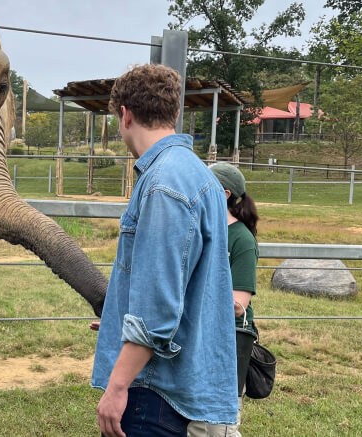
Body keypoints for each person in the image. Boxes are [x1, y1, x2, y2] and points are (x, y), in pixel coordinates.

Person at [91, 63, 238, 437]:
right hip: (182, 382)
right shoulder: (198, 174)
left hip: (153, 393)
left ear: (124, 115)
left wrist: (118, 385)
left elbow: (157, 312)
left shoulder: (163, 185)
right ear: (173, 113)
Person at [187, 162, 260, 437]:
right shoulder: (202, 230)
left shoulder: (241, 239)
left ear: (224, 193)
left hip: (225, 346)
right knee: (193, 424)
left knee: (217, 428)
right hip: (195, 342)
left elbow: (237, 305)